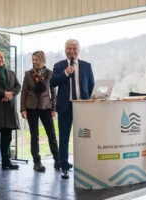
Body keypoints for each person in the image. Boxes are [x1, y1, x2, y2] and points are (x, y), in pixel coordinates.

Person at [50, 39, 94, 179]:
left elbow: (92, 85)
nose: (71, 51)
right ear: (65, 50)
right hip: (65, 107)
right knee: (64, 138)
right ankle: (64, 167)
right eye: (69, 48)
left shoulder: (87, 66)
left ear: (78, 50)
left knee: (85, 136)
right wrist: (65, 73)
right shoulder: (59, 65)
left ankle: (86, 165)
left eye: (74, 48)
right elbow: (52, 82)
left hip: (82, 106)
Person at [20, 51, 60, 172]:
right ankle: (37, 162)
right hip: (31, 107)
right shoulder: (28, 74)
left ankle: (57, 160)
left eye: (36, 60)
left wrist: (53, 108)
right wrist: (23, 109)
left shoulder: (49, 73)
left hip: (46, 107)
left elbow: (53, 92)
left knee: (51, 134)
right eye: (33, 60)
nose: (34, 62)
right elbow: (24, 91)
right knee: (34, 135)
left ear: (42, 59)